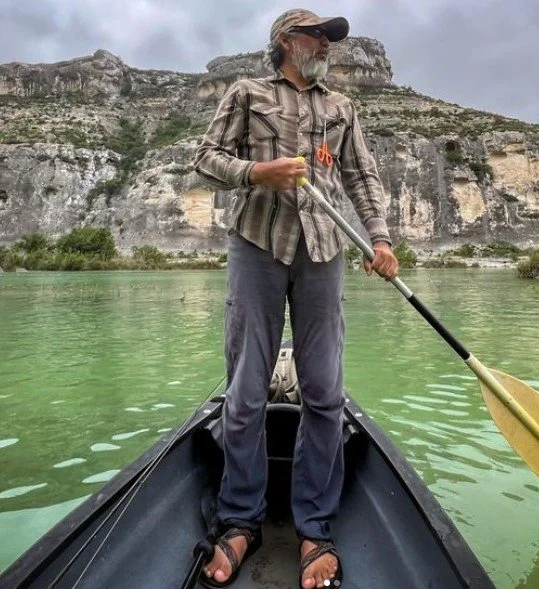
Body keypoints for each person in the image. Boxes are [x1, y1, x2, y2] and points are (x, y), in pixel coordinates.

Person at [193, 8, 399, 589]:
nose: (328, 46)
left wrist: (379, 239)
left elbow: (362, 177)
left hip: (324, 252)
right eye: (318, 36)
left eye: (332, 38)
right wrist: (259, 173)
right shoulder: (246, 91)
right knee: (245, 392)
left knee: (326, 394)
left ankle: (314, 527)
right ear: (286, 41)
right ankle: (239, 521)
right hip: (256, 245)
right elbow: (205, 159)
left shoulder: (342, 108)